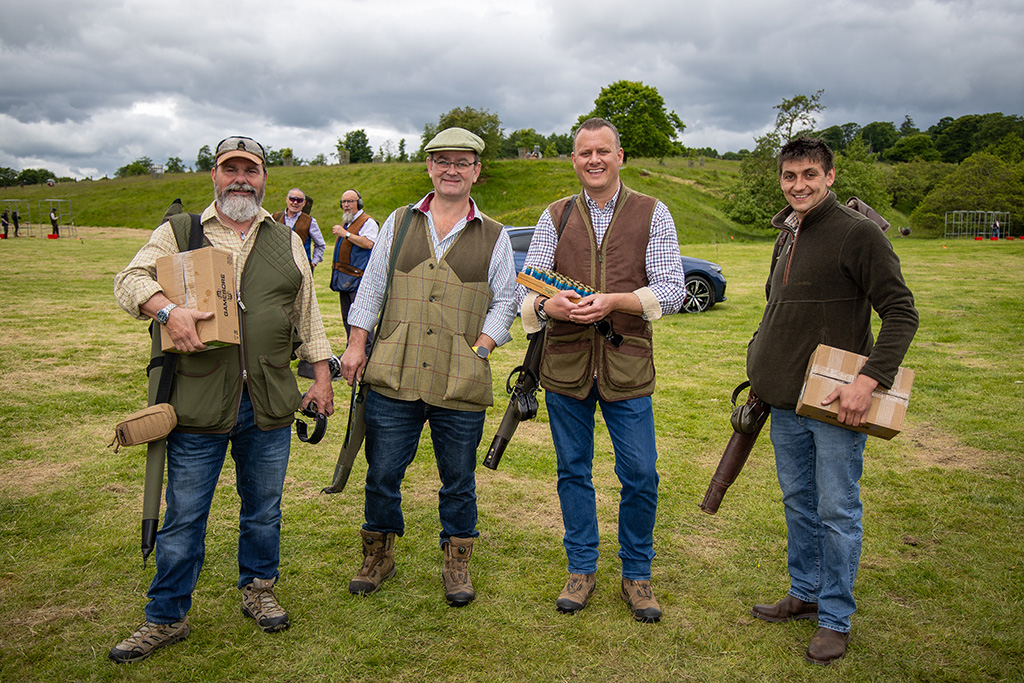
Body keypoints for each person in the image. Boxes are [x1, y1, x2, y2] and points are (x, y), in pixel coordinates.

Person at [109, 135, 335, 663]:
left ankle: (258, 588)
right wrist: (167, 310)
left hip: (269, 399)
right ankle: (166, 616)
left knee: (264, 510)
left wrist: (320, 379)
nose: (240, 178)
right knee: (185, 515)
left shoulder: (287, 239)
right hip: (198, 401)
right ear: (214, 175)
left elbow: (308, 315)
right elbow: (128, 280)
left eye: (250, 170)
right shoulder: (181, 231)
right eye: (230, 168)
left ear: (263, 179)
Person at [745, 137, 918, 665]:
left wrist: (869, 380)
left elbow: (902, 312)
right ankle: (805, 592)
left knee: (836, 509)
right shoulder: (787, 233)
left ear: (830, 177)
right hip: (782, 401)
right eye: (790, 175)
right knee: (799, 502)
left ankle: (835, 618)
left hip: (834, 402)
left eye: (810, 175)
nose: (799, 185)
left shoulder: (858, 234)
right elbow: (779, 309)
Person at [516, 118, 686, 623]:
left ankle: (636, 574)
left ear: (620, 156)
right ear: (574, 159)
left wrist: (618, 300)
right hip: (565, 365)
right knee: (574, 472)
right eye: (584, 152)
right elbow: (531, 290)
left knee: (640, 474)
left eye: (603, 151)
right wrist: (552, 308)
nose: (594, 160)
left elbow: (672, 289)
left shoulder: (652, 212)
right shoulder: (554, 215)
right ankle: (581, 568)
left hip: (626, 366)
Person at [339, 127, 516, 607]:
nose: (451, 170)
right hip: (393, 373)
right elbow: (372, 288)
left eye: (462, 162)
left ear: (476, 171)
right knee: (382, 472)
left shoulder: (495, 235)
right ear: (430, 167)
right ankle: (379, 556)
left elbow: (507, 300)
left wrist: (481, 346)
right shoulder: (398, 222)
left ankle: (456, 561)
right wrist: (356, 345)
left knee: (458, 479)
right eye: (443, 161)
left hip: (459, 378)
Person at [330, 189, 379, 355]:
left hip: (359, 279)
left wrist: (346, 234)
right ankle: (352, 350)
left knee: (361, 319)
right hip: (345, 277)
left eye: (350, 201)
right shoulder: (347, 222)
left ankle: (367, 352)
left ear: (359, 203)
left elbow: (369, 243)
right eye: (343, 202)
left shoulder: (368, 222)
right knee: (347, 318)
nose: (346, 205)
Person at [271, 188, 326, 272]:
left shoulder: (310, 221)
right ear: (287, 200)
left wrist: (313, 263)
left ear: (304, 203)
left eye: (299, 200)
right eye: (292, 199)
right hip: (277, 267)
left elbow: (320, 245)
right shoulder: (274, 217)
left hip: (301, 268)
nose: (295, 203)